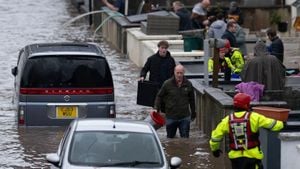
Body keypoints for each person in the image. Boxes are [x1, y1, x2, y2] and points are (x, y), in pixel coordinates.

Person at [209, 92, 284, 169]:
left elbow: (215, 137)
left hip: (235, 159)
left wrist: (215, 150)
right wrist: (283, 123)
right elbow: (273, 125)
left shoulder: (227, 120)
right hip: (252, 157)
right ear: (247, 105)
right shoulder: (254, 117)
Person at [154, 64, 196, 138]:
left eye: (181, 73)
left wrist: (193, 112)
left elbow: (192, 100)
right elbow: (159, 96)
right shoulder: (167, 84)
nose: (179, 75)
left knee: (185, 139)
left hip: (184, 116)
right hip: (171, 116)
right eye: (177, 73)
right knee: (170, 138)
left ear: (184, 73)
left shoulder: (188, 84)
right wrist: (156, 108)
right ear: (174, 72)